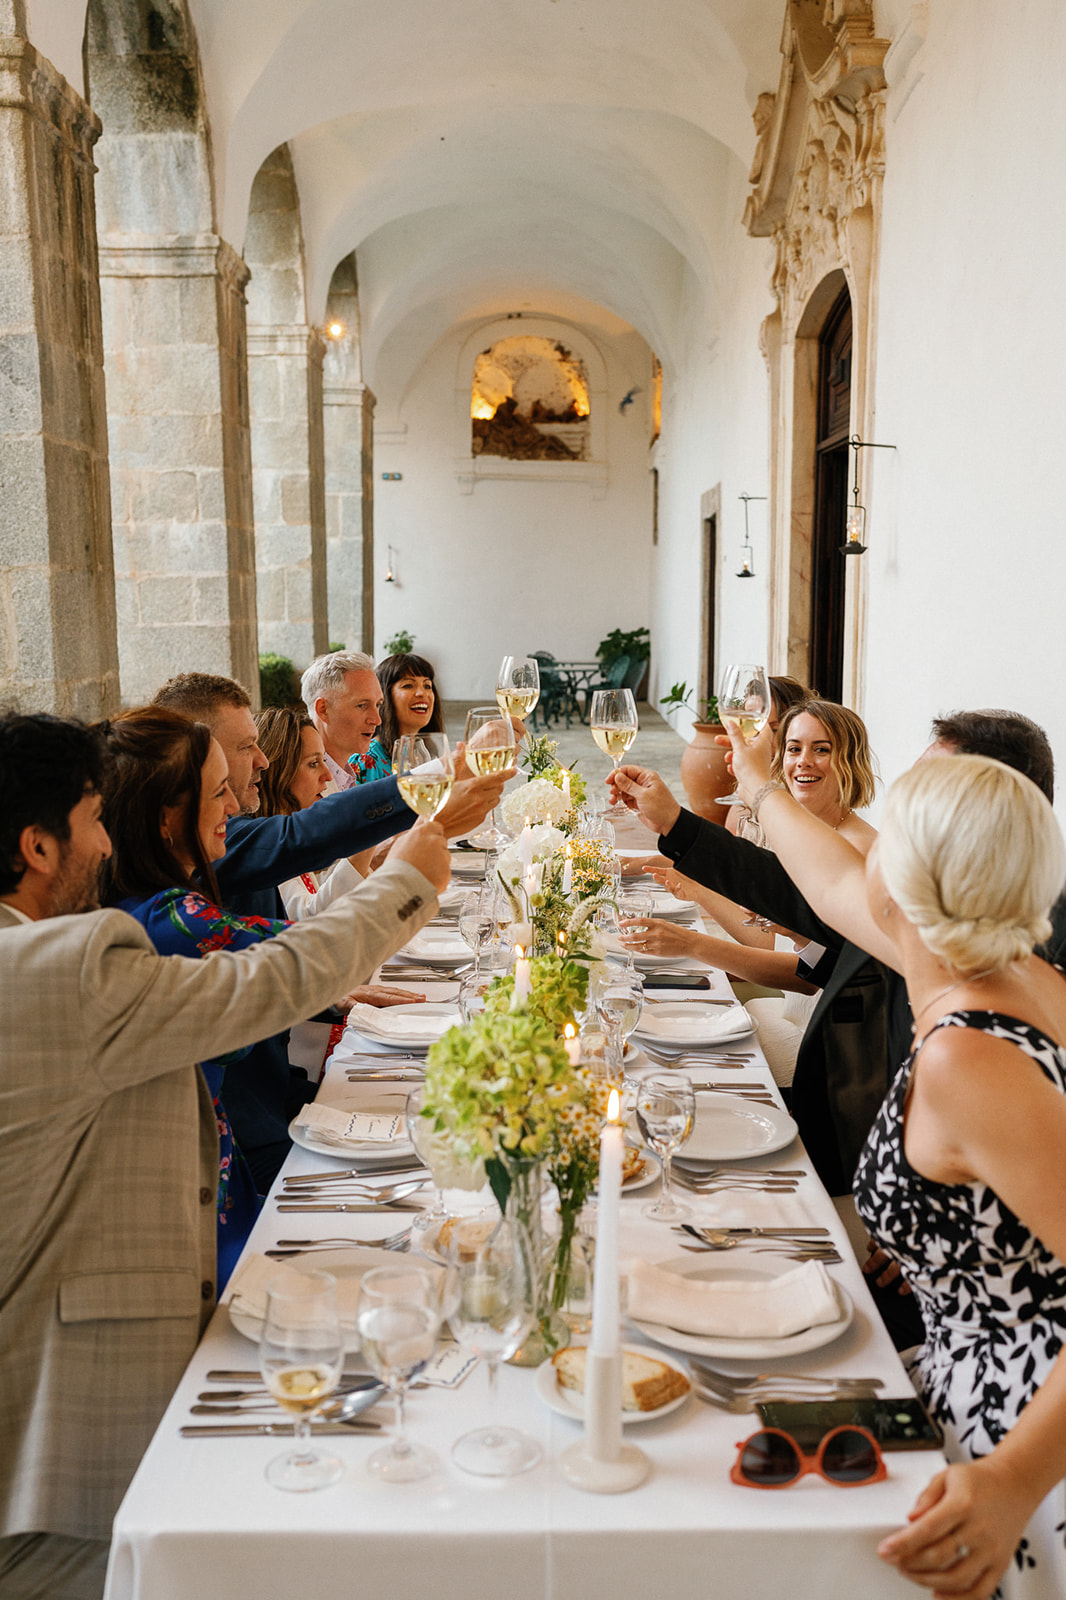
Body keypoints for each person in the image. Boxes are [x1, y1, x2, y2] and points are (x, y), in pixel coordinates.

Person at [0, 711, 448, 1599]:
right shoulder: (56, 966)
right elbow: (269, 981)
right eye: (91, 821)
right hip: (62, 1460)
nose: (105, 843)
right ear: (38, 846)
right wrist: (407, 883)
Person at [731, 742, 1066, 1599]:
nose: (863, 848)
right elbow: (829, 882)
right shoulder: (1019, 974)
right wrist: (757, 779)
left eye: (885, 837)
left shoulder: (969, 1057)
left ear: (906, 881)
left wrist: (1012, 1481)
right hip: (959, 1364)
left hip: (1011, 1439)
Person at [153, 671, 512, 1187]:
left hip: (280, 1092)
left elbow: (265, 959)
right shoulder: (191, 869)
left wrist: (332, 997)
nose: (263, 761)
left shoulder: (216, 842)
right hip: (242, 1136)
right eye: (247, 746)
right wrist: (432, 807)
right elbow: (302, 844)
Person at [97, 708, 276, 1290]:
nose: (234, 805)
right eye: (219, 792)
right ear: (166, 820)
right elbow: (306, 953)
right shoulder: (171, 920)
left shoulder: (142, 897)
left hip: (217, 1172)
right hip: (190, 1203)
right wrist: (414, 871)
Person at [300, 649, 388, 787]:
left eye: (377, 705)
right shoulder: (304, 786)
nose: (377, 720)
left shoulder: (346, 778)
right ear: (323, 709)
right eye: (361, 705)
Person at [375, 652, 444, 763]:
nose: (422, 693)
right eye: (408, 685)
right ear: (384, 696)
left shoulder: (426, 754)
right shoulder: (367, 759)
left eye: (427, 686)